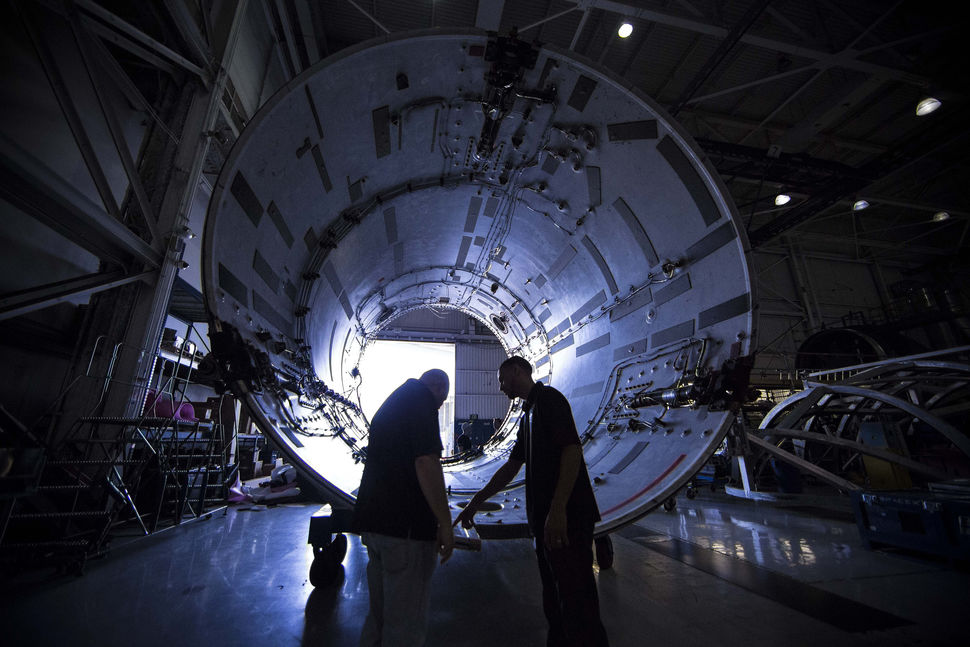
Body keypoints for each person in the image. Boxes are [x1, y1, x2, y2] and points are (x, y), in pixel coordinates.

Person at [455, 356, 609, 647]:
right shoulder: (528, 413)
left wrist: (559, 509)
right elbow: (511, 467)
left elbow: (572, 451)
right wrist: (476, 501)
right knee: (555, 599)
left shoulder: (549, 400)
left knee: (578, 602)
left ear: (516, 371)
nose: (500, 387)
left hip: (567, 520)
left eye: (502, 379)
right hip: (546, 523)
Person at [354, 368, 454, 647]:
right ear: (436, 388)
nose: (440, 406)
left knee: (380, 617)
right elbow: (426, 462)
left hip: (377, 526)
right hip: (406, 533)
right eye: (441, 400)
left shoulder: (393, 403)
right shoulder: (422, 402)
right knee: (405, 625)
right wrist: (445, 523)